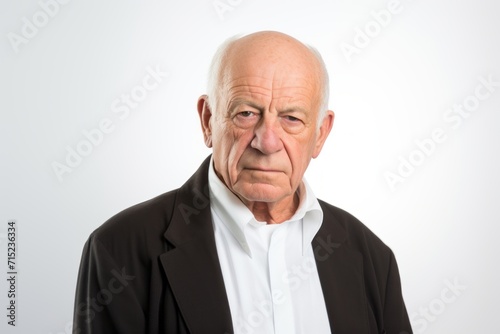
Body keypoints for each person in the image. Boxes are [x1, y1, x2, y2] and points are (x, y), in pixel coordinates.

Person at [73, 31, 412, 334]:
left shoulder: (373, 259)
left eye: (291, 118)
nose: (267, 141)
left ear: (320, 134)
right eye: (246, 113)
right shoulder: (119, 251)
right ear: (208, 121)